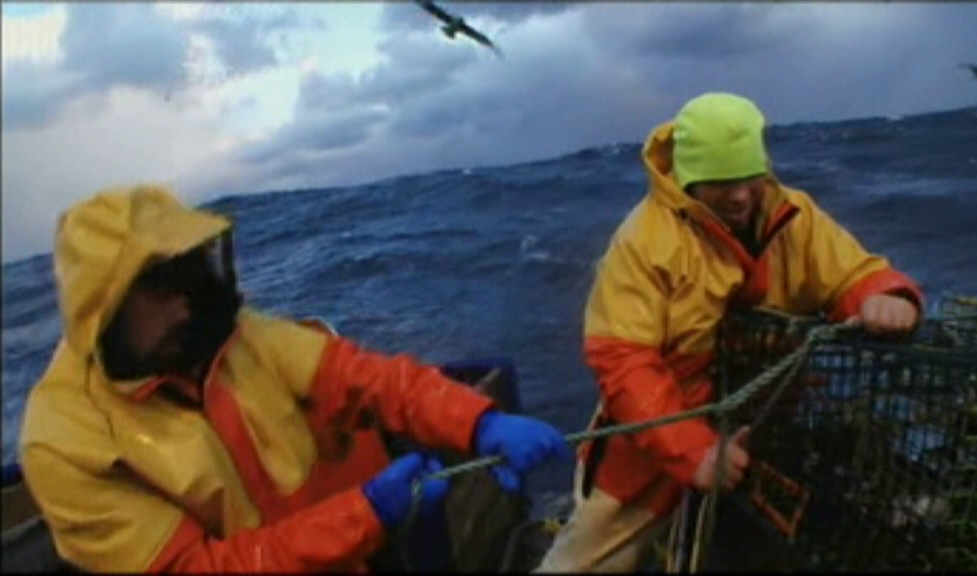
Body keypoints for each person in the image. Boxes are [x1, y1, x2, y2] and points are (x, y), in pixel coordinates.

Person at [18, 185, 572, 573]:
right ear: (104, 308)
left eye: (190, 277)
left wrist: (478, 423)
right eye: (161, 290)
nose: (185, 307)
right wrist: (367, 514)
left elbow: (363, 378)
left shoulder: (236, 337)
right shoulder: (63, 444)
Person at [535, 92, 923, 572]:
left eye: (748, 177)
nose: (739, 196)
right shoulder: (644, 241)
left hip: (766, 426)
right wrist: (692, 450)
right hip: (659, 431)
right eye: (720, 182)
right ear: (689, 179)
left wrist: (885, 295)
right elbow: (622, 360)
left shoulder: (795, 216)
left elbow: (854, 273)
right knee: (587, 558)